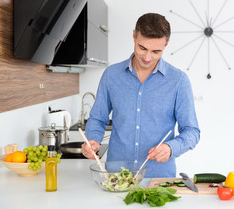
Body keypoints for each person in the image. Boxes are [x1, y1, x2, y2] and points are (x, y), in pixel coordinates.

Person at [81, 13, 200, 178]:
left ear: (166, 44)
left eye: (156, 51)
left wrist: (171, 148)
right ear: (134, 36)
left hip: (159, 178)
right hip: (116, 176)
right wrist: (92, 140)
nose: (147, 57)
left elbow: (192, 131)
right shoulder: (111, 75)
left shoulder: (178, 81)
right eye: (142, 48)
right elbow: (97, 119)